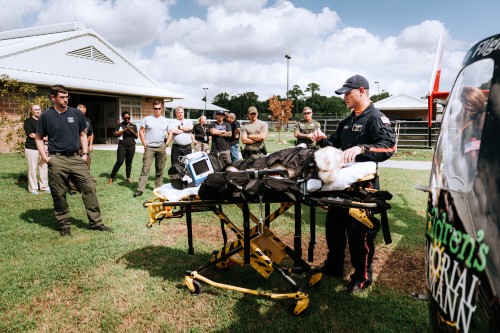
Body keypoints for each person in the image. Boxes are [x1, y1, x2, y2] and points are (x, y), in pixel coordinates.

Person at [311, 75, 396, 292]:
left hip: (362, 188)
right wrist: (322, 140)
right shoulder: (347, 121)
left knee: (359, 233)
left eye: (347, 93)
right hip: (340, 185)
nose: (344, 97)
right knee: (334, 227)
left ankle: (362, 276)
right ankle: (333, 266)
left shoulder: (376, 118)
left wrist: (362, 149)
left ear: (361, 91)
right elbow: (335, 145)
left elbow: (388, 147)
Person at [35, 84, 111, 236]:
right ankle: (64, 225)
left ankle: (96, 223)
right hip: (56, 158)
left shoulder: (76, 113)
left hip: (76, 158)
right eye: (62, 97)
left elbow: (83, 134)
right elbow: (38, 137)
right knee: (59, 193)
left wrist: (84, 154)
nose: (65, 100)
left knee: (89, 186)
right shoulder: (46, 116)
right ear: (53, 98)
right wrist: (45, 157)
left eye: (67, 97)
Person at [134, 101, 169, 197]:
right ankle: (140, 189)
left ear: (161, 109)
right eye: (155, 108)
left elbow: (170, 133)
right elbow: (141, 131)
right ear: (153, 109)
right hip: (149, 147)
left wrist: (166, 144)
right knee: (145, 169)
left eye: (159, 108)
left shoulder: (165, 120)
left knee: (160, 169)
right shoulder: (147, 119)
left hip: (161, 147)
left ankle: (158, 188)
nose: (157, 110)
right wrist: (145, 144)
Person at [24, 104, 49, 195]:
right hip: (32, 148)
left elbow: (49, 133)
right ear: (32, 111)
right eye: (35, 109)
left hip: (43, 148)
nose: (38, 111)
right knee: (32, 168)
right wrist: (46, 139)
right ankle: (33, 188)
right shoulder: (28, 121)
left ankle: (44, 186)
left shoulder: (44, 121)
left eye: (39, 109)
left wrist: (46, 145)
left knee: (43, 167)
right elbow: (31, 135)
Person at [107, 111, 138, 185]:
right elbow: (115, 134)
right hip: (122, 146)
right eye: (125, 118)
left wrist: (132, 131)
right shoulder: (119, 125)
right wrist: (125, 129)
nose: (127, 119)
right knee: (119, 162)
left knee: (129, 163)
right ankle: (111, 178)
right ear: (123, 118)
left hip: (131, 146)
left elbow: (136, 136)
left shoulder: (133, 125)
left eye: (128, 118)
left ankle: (128, 177)